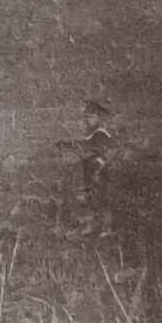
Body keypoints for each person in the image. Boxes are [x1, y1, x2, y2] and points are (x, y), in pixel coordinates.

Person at [56, 99, 115, 233]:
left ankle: (105, 227)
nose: (88, 120)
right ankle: (92, 224)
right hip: (88, 170)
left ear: (99, 117)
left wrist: (91, 157)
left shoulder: (101, 134)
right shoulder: (90, 135)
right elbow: (84, 148)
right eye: (86, 117)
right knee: (89, 199)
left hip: (99, 170)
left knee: (100, 198)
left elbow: (103, 152)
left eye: (91, 117)